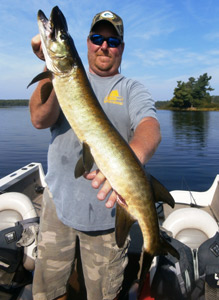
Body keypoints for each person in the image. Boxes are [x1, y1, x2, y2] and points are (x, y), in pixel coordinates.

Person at [30, 10, 161, 300]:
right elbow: (39, 119)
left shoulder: (132, 88)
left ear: (121, 48)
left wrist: (133, 157)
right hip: (57, 208)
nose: (104, 46)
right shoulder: (64, 78)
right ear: (88, 43)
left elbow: (150, 127)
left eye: (112, 41)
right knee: (48, 292)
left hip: (108, 218)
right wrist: (48, 69)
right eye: (97, 38)